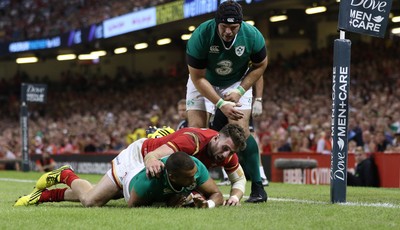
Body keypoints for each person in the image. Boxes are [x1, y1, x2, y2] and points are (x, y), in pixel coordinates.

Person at [185, 0, 268, 202]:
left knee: (241, 132)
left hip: (236, 81)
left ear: (241, 24)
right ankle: (194, 187)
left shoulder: (253, 35)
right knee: (195, 132)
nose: (229, 32)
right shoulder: (201, 35)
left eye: (233, 27)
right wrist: (221, 104)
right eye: (224, 27)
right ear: (216, 23)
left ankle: (258, 187)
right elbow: (197, 78)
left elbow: (260, 66)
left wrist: (241, 91)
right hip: (204, 80)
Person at [15, 152, 223, 208]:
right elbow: (133, 204)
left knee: (95, 193)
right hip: (130, 168)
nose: (194, 179)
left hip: (150, 156)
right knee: (91, 201)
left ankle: (47, 195)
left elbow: (216, 194)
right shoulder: (148, 182)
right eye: (189, 178)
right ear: (172, 176)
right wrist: (172, 200)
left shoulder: (194, 167)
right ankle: (65, 175)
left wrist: (208, 204)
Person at [144, 124, 248, 206]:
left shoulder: (228, 153)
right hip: (142, 154)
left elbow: (239, 179)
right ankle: (159, 134)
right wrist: (151, 159)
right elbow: (152, 155)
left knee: (193, 197)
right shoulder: (192, 141)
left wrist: (234, 198)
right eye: (225, 148)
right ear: (216, 138)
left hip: (170, 164)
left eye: (230, 152)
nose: (225, 155)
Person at [211, 77, 269, 186]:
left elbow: (258, 71)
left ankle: (261, 175)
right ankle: (226, 175)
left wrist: (259, 99)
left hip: (238, 86)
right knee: (219, 136)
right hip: (213, 86)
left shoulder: (247, 62)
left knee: (243, 133)